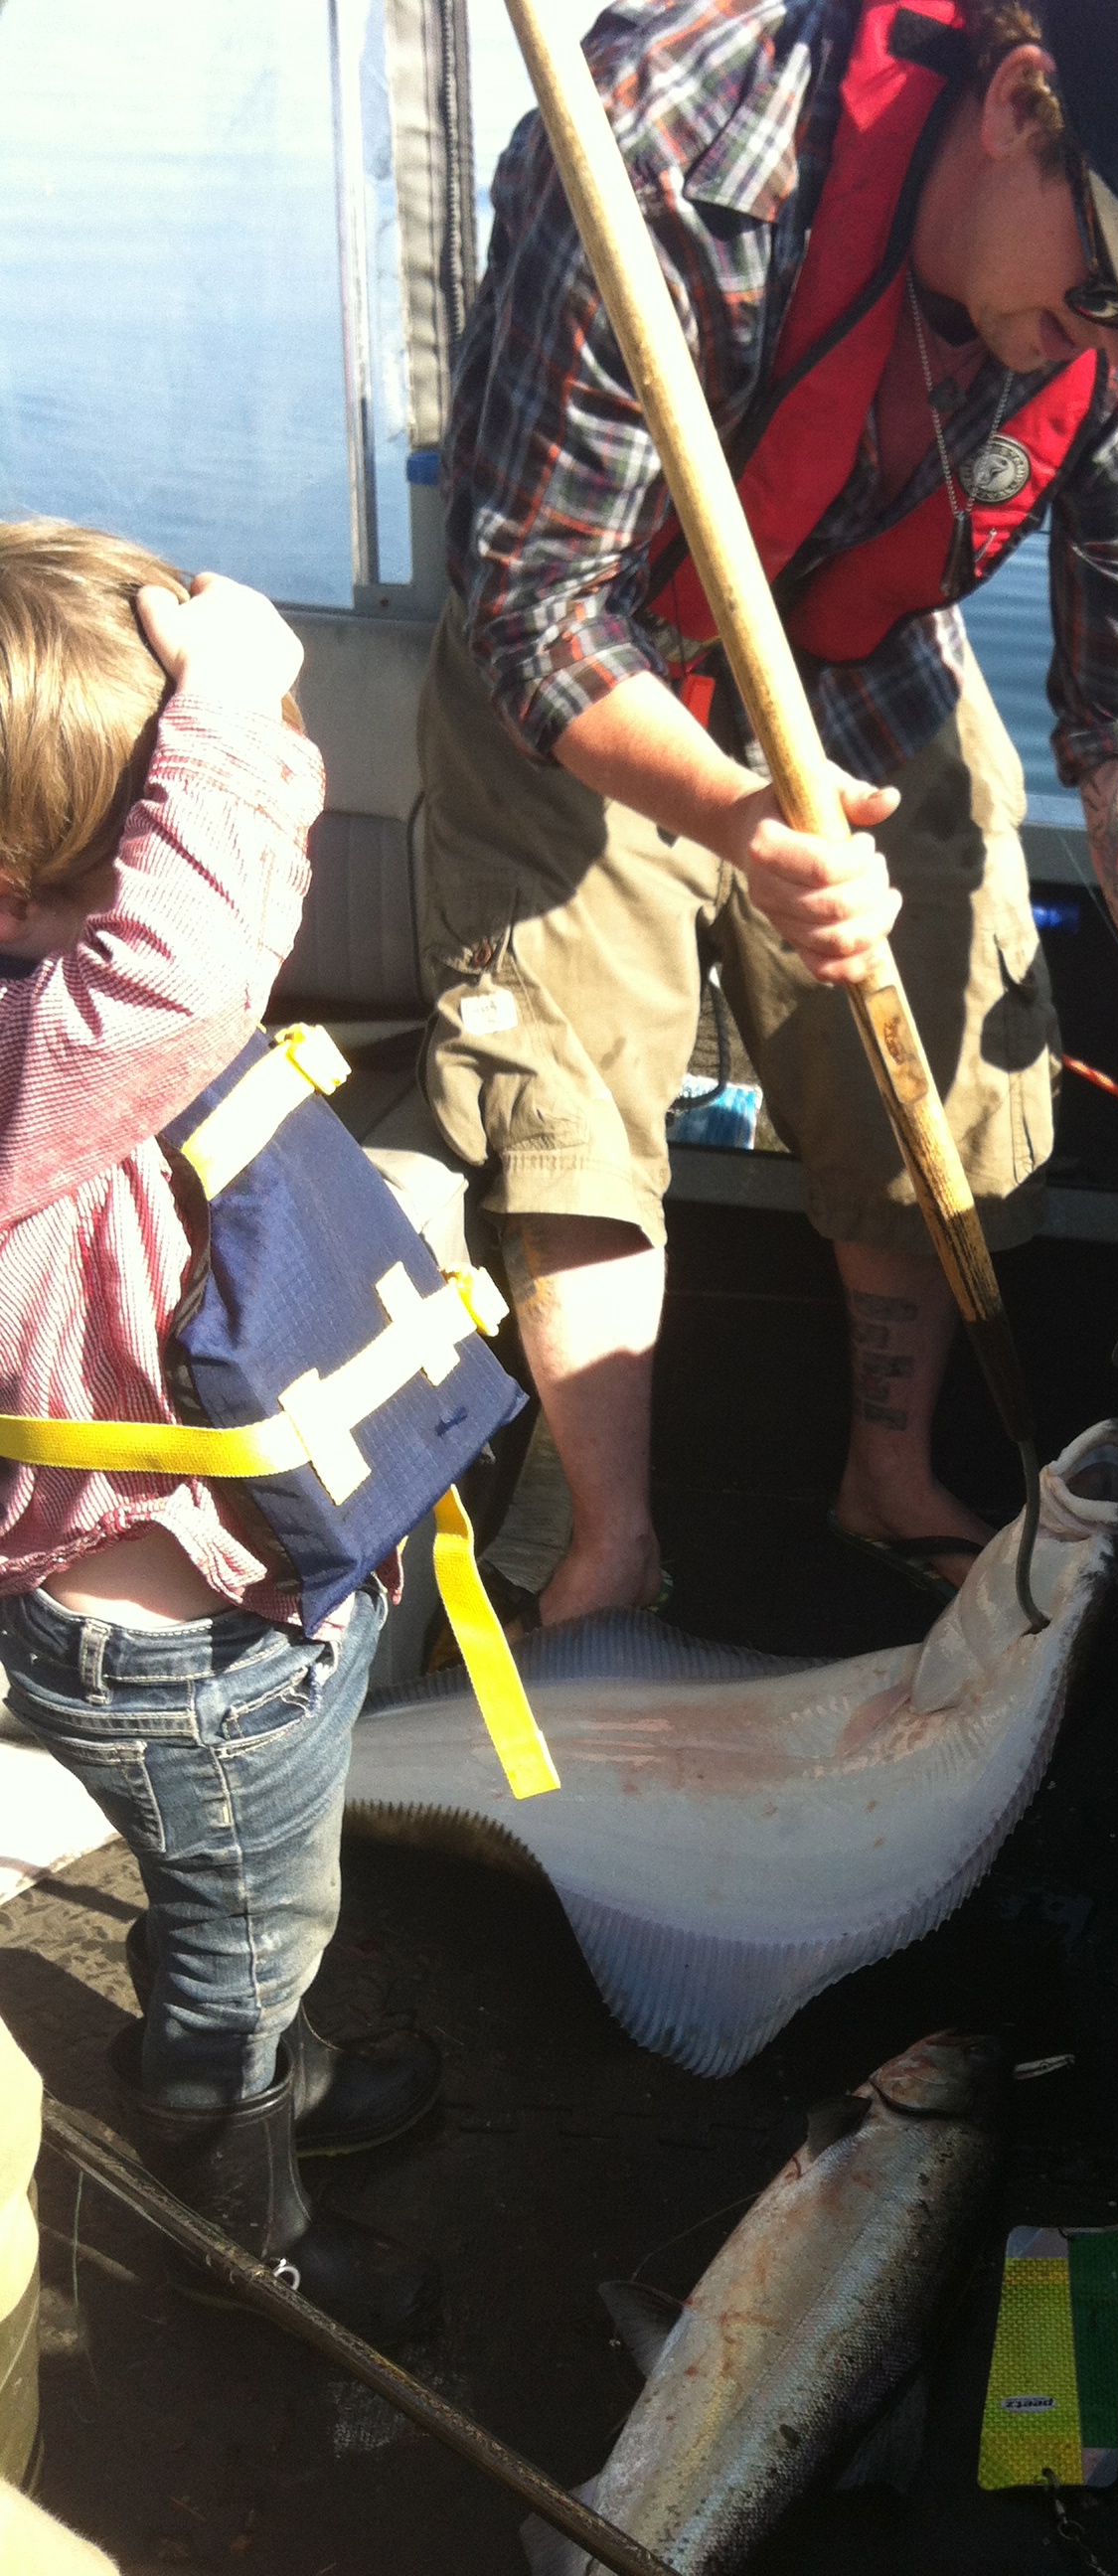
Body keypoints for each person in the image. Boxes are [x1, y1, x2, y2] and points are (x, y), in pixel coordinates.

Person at [422, 0, 1118, 1620]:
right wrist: (737, 817)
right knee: (567, 1085)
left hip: (861, 655)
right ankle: (611, 1548)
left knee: (951, 1045)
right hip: (597, 648)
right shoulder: (671, 148)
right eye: (1107, 296)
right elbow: (527, 603)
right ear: (1021, 108)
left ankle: (890, 1474)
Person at [0, 526, 489, 2343]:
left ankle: (244, 2034)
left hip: (145, 1614)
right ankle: (244, 2232)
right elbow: (197, 937)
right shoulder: (55, 1046)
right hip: (191, 1658)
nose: (157, 864)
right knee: (246, 1938)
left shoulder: (49, 1019)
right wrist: (234, 693)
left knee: (223, 1896)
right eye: (117, 844)